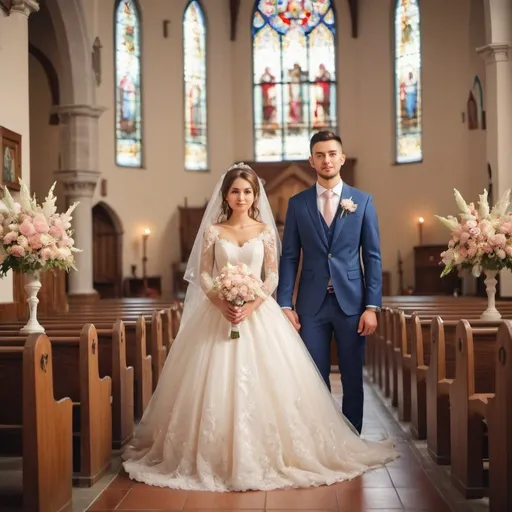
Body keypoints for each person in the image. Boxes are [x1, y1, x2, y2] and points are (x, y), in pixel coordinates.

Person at [122, 163, 397, 492]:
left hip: (258, 314)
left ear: (256, 196)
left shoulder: (266, 231)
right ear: (226, 194)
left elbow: (273, 276)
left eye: (247, 191)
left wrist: (251, 303)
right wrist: (221, 300)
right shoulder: (213, 231)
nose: (241, 197)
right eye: (235, 190)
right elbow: (204, 274)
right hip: (218, 315)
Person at [277, 131, 382, 435]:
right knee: (314, 376)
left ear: (342, 158)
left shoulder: (362, 201)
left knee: (352, 376)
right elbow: (289, 257)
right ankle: (321, 440)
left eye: (332, 153)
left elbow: (373, 256)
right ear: (311, 161)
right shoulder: (298, 204)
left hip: (352, 304)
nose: (327, 160)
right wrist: (285, 303)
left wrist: (372, 306)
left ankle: (352, 439)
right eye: (320, 155)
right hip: (311, 305)